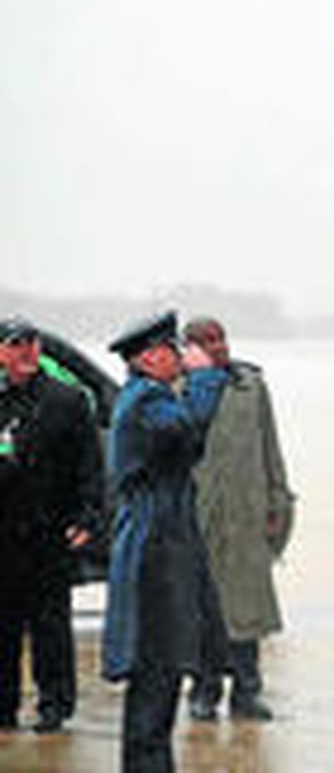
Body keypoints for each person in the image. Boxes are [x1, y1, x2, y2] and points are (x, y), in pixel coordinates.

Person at [102, 310, 229, 773]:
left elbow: (186, 444)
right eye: (173, 350)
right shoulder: (146, 401)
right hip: (155, 550)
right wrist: (207, 378)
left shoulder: (148, 396)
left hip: (162, 542)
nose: (179, 356)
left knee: (160, 676)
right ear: (149, 357)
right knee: (157, 672)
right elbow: (188, 428)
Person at [182, 316, 295, 722]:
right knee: (201, 610)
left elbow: (270, 447)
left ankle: (247, 692)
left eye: (220, 338)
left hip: (247, 514)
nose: (218, 346)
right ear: (189, 347)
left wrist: (278, 504)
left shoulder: (250, 387)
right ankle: (204, 690)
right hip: (200, 515)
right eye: (207, 341)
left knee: (248, 610)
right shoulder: (178, 391)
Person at [0, 317, 103, 734]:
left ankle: (54, 705)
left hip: (50, 532)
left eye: (32, 344)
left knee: (51, 626)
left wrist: (87, 517)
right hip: (3, 534)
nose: (26, 352)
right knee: (3, 626)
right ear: (1, 353)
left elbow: (90, 468)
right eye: (16, 345)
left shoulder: (69, 400)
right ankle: (3, 708)